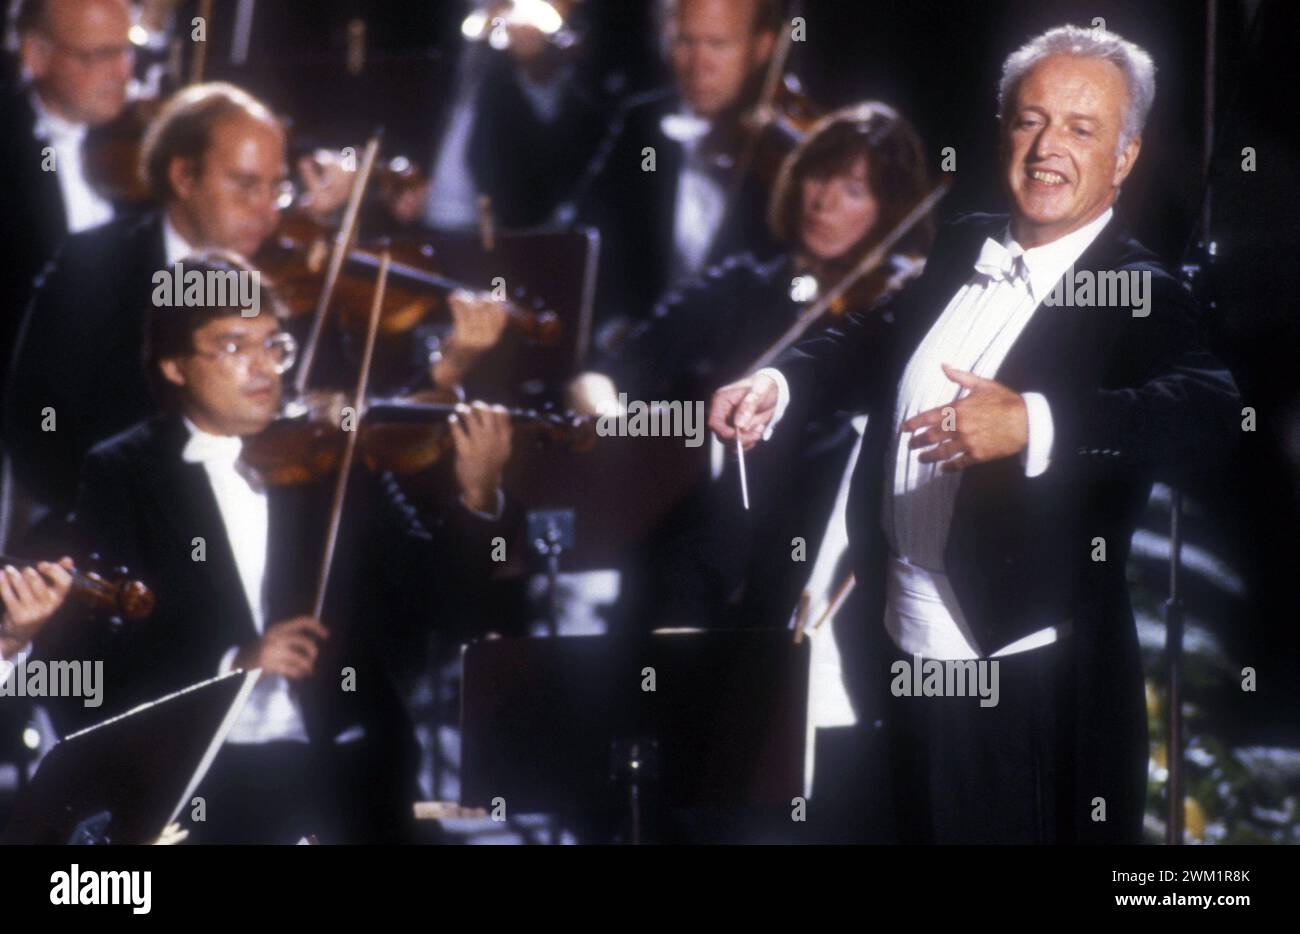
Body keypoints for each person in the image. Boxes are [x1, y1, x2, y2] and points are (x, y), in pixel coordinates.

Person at [709, 25, 1241, 843]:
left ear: (1125, 157)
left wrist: (1032, 421)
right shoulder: (967, 241)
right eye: (1030, 121)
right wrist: (779, 382)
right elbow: (872, 335)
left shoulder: (1140, 291)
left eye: (1080, 127)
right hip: (888, 641)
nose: (1047, 148)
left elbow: (1206, 407)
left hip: (1017, 678)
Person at [36, 253, 516, 843]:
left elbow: (432, 601)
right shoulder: (123, 472)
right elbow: (99, 659)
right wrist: (232, 667)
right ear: (175, 365)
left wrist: (479, 497)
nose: (264, 368)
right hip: (209, 780)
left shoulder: (326, 455)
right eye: (235, 347)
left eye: (274, 345)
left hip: (348, 763)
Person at [4, 81, 352, 523]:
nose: (267, 211)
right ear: (183, 176)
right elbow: (37, 422)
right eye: (245, 185)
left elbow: (334, 400)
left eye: (276, 189)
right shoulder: (92, 266)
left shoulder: (291, 281)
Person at [571, 0, 783, 342]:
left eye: (718, 44)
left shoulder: (779, 148)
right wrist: (612, 329)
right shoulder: (641, 127)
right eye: (685, 41)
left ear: (761, 48)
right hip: (636, 367)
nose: (699, 64)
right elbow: (586, 237)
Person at [0, 0, 133, 384]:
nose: (123, 72)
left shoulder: (141, 143)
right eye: (101, 55)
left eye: (126, 51)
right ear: (36, 55)